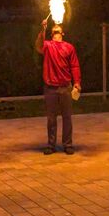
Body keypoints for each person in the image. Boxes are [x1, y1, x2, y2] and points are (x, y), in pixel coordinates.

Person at [35, 19, 81, 155]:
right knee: (51, 118)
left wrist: (77, 82)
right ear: (51, 34)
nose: (56, 30)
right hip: (50, 88)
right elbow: (38, 46)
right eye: (54, 30)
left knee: (67, 117)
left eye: (58, 29)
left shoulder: (69, 47)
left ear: (63, 33)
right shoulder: (48, 46)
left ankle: (68, 144)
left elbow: (75, 66)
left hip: (66, 87)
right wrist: (42, 29)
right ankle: (51, 145)